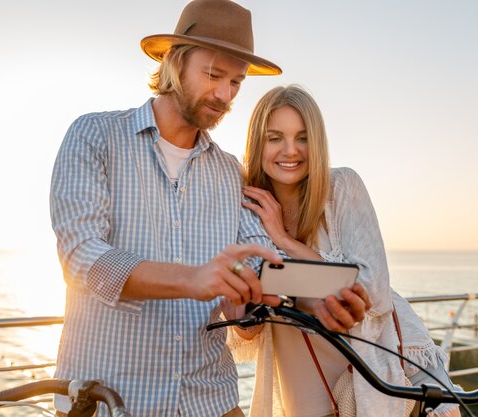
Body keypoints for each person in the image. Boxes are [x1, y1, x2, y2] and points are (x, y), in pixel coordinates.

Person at [49, 2, 370, 416]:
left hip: (210, 401)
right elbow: (81, 257)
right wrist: (194, 279)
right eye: (214, 75)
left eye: (236, 82)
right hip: (109, 399)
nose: (225, 95)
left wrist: (272, 303)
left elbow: (255, 269)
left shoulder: (230, 172)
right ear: (174, 62)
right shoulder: (94, 135)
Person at [224, 85, 461, 417]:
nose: (290, 151)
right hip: (301, 380)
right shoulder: (246, 207)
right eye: (275, 137)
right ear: (257, 142)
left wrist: (284, 242)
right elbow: (248, 323)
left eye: (303, 138)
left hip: (378, 369)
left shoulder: (342, 187)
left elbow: (373, 291)